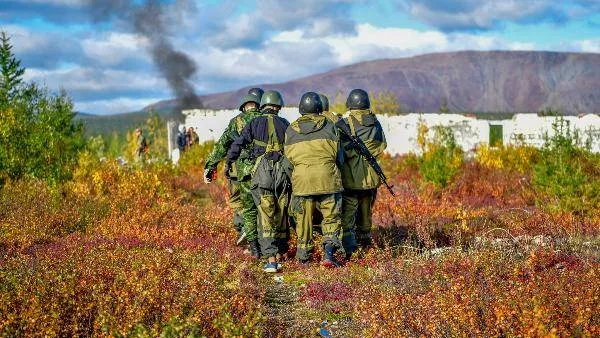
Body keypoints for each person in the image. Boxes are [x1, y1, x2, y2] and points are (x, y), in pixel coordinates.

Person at [227, 90, 290, 273]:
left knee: (265, 214)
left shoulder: (254, 122)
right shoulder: (285, 123)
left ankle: (271, 259)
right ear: (278, 106)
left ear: (263, 105)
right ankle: (280, 254)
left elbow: (237, 144)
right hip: (282, 172)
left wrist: (230, 161)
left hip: (262, 174)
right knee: (281, 213)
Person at [284, 92, 344, 267]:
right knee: (332, 217)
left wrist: (295, 179)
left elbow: (287, 163)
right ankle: (328, 255)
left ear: (301, 108)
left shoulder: (291, 130)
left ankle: (304, 259)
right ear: (320, 107)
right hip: (328, 179)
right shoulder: (331, 126)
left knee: (303, 220)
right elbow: (339, 157)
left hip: (302, 181)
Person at [204, 93, 264, 249]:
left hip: (239, 171)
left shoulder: (236, 121)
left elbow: (222, 145)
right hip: (264, 169)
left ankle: (245, 232)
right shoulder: (266, 119)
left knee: (239, 203)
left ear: (244, 107)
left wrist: (210, 165)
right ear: (259, 105)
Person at [339, 89, 387, 257]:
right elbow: (382, 146)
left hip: (350, 178)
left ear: (350, 104)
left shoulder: (345, 122)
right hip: (371, 177)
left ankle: (350, 250)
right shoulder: (376, 123)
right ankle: (366, 245)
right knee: (366, 212)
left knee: (348, 216)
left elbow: (340, 151)